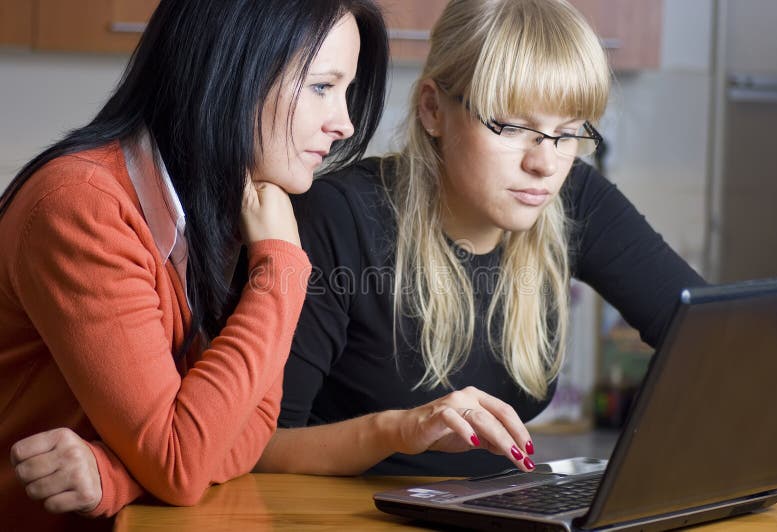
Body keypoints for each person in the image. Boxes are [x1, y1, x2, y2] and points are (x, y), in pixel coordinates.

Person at [256, 0, 706, 476]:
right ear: (433, 109)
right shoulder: (338, 216)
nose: (545, 164)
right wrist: (394, 430)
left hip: (494, 512)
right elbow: (259, 450)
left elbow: (709, 333)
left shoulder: (570, 199)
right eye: (513, 126)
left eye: (568, 133)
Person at [0, 0, 387, 529]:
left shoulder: (226, 210)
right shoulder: (82, 206)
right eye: (322, 87)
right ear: (231, 71)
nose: (343, 123)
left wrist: (118, 474)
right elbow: (183, 462)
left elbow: (245, 431)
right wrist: (281, 272)